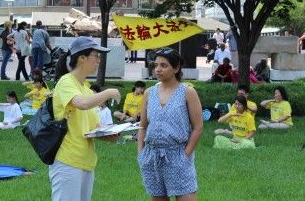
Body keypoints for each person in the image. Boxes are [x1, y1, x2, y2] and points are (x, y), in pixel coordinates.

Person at [49, 36, 121, 201]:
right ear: (81, 58)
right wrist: (108, 92)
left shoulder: (87, 89)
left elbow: (91, 128)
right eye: (96, 56)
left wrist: (107, 134)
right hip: (68, 160)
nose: (98, 61)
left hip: (86, 161)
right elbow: (81, 103)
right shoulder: (66, 82)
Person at [137, 48, 203, 200]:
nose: (158, 69)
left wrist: (185, 155)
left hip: (178, 155)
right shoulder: (149, 93)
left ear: (176, 68)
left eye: (163, 65)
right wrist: (141, 153)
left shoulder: (187, 92)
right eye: (156, 65)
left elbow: (198, 127)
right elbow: (143, 126)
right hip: (151, 157)